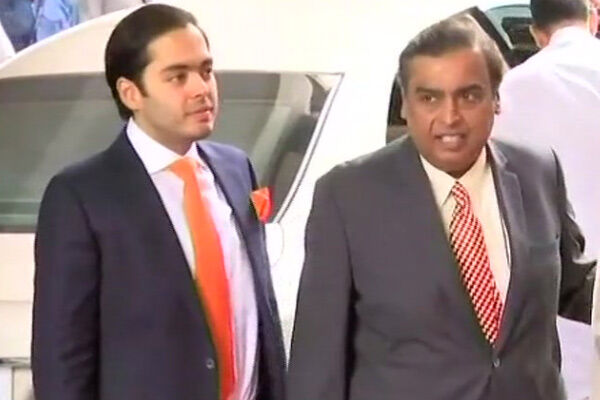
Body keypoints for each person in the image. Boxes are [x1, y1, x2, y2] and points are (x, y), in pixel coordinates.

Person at [287, 14, 595, 400]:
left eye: (469, 96)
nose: (450, 117)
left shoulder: (537, 170)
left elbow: (573, 284)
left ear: (496, 100)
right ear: (405, 105)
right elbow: (317, 364)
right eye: (429, 97)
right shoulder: (348, 196)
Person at [31, 4, 286, 400]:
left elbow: (259, 312)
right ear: (130, 93)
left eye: (206, 71)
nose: (201, 89)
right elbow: (62, 360)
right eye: (177, 76)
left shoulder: (237, 169)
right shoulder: (82, 197)